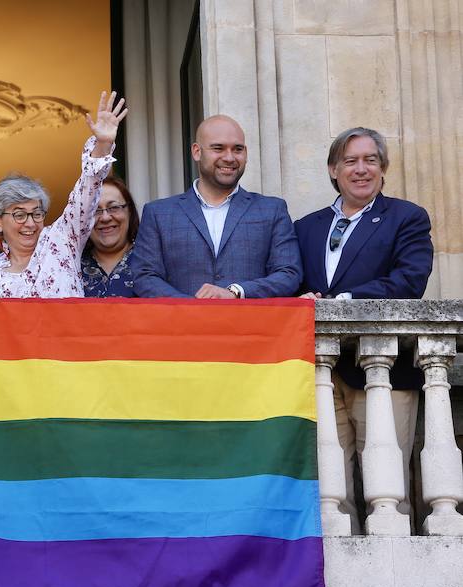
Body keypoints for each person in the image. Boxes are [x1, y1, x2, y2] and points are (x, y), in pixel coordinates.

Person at [294, 126, 433, 532]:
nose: (361, 169)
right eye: (350, 161)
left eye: (370, 160)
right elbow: (290, 279)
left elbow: (409, 281)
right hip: (319, 371)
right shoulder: (306, 227)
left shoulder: (406, 217)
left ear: (383, 168)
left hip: (383, 371)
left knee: (387, 482)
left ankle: (399, 576)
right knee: (330, 485)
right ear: (333, 169)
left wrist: (343, 302)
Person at [0, 91, 127, 298]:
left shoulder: (61, 239)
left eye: (36, 213)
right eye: (19, 214)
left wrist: (103, 145)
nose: (30, 223)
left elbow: (87, 189)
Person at [131, 115, 302, 298]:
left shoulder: (272, 210)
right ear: (197, 152)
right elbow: (144, 277)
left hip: (250, 325)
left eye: (237, 149)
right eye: (218, 148)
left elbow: (289, 274)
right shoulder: (159, 214)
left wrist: (236, 292)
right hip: (182, 324)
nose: (229, 158)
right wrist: (192, 309)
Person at [81, 174, 139, 298]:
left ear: (129, 211)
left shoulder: (150, 260)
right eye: (95, 210)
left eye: (114, 207)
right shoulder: (71, 267)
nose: (105, 218)